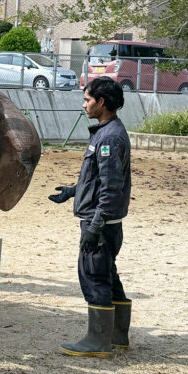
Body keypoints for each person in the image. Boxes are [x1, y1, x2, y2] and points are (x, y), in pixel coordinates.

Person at [48, 77, 132, 357]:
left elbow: (111, 188)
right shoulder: (107, 132)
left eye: (87, 100)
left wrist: (94, 227)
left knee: (94, 277)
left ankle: (98, 342)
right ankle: (118, 336)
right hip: (108, 223)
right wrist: (73, 191)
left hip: (102, 224)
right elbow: (100, 180)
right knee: (108, 275)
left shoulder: (108, 138)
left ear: (102, 102)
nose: (84, 104)